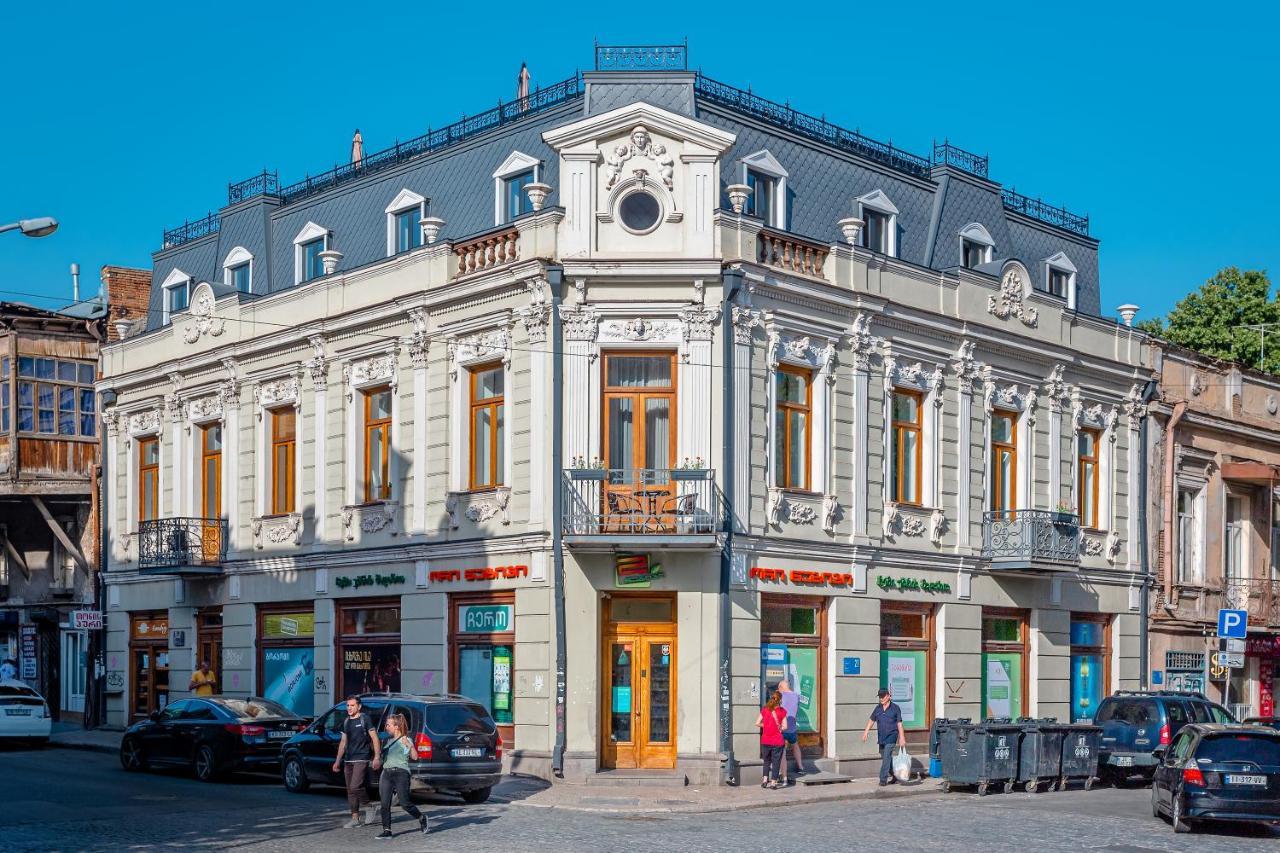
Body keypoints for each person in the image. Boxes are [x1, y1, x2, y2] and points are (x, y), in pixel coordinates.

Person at [374, 713, 428, 840]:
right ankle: (387, 831)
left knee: (404, 803)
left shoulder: (405, 740)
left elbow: (414, 757)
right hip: (386, 773)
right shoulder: (388, 741)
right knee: (384, 804)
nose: (386, 727)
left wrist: (410, 746)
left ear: (396, 726)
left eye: (388, 725)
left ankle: (421, 817)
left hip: (401, 773)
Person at [332, 695, 383, 828]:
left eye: (352, 705)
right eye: (348, 705)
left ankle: (369, 805)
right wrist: (337, 761)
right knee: (350, 790)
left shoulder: (364, 718)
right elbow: (343, 742)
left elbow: (375, 738)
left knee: (355, 786)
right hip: (348, 759)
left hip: (362, 757)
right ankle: (355, 818)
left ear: (358, 706)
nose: (349, 708)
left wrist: (377, 757)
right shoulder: (346, 721)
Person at [861, 688, 906, 786]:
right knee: (886, 757)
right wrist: (866, 732)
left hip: (892, 735)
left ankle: (883, 779)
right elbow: (871, 720)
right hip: (881, 737)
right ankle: (895, 775)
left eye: (883, 696)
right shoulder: (878, 708)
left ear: (889, 696)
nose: (881, 698)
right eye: (880, 697)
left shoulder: (895, 708)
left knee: (886, 757)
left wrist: (902, 737)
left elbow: (899, 723)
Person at [755, 690, 787, 789]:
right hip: (777, 741)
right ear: (780, 700)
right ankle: (773, 783)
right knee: (776, 762)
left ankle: (765, 780)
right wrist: (779, 727)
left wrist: (766, 725)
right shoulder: (782, 711)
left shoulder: (765, 709)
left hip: (765, 740)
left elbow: (757, 723)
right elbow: (785, 726)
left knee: (766, 761)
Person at [776, 679, 804, 783]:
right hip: (792, 728)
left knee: (782, 751)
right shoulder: (796, 696)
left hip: (782, 727)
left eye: (779, 687)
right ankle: (800, 767)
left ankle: (782, 773)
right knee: (795, 745)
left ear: (781, 687)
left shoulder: (780, 695)